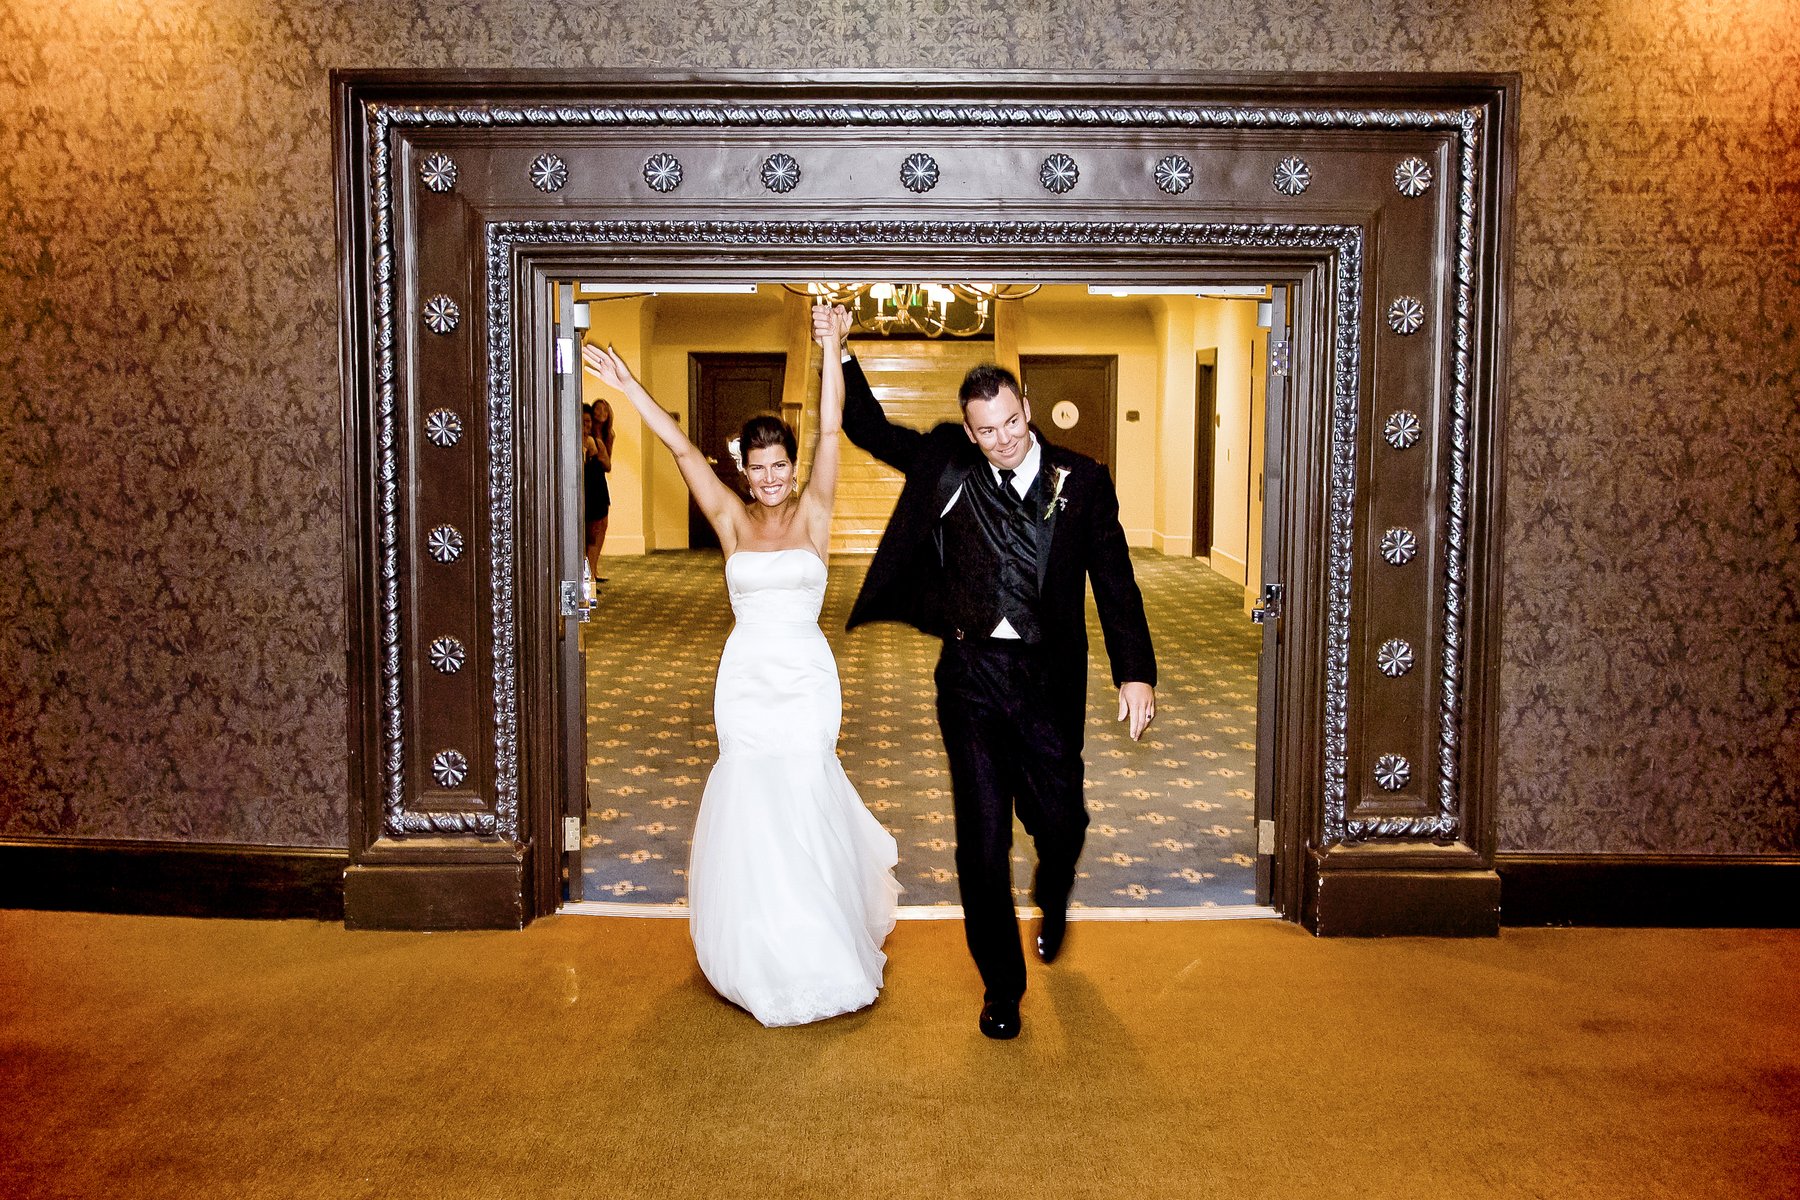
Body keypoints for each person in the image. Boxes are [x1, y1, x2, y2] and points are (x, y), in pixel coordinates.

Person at [823, 305, 1156, 1040]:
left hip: (1048, 684)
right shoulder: (949, 463)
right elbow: (868, 428)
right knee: (980, 847)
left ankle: (1055, 889)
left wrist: (1135, 672)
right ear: (968, 431)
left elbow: (1115, 580)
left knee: (1061, 824)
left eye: (1011, 422)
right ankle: (1002, 988)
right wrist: (841, 351)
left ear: (1025, 409)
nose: (1003, 440)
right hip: (971, 679)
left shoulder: (1082, 480)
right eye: (987, 430)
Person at [582, 313, 900, 1028]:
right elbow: (679, 448)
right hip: (747, 677)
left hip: (806, 678)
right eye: (757, 469)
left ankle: (819, 935)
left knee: (804, 788)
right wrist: (628, 384)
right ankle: (760, 943)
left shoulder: (815, 510)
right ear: (745, 472)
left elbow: (830, 429)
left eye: (779, 466)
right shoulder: (730, 518)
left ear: (792, 466)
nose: (769, 479)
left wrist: (831, 345)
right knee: (755, 798)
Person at [582, 399, 614, 587]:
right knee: (590, 534)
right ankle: (590, 574)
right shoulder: (586, 436)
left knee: (600, 527)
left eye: (605, 410)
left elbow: (608, 465)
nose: (601, 413)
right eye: (598, 409)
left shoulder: (605, 436)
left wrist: (598, 452)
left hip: (598, 484)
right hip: (587, 487)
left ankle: (593, 571)